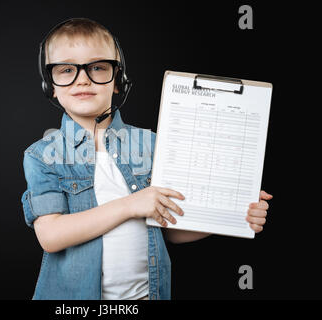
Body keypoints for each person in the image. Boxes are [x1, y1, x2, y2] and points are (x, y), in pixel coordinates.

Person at [21, 17, 273, 300]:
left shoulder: (154, 145)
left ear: (119, 81)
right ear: (50, 85)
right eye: (66, 69)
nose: (83, 78)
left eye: (98, 67)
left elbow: (172, 230)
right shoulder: (43, 155)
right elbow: (51, 236)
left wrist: (235, 213)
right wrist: (130, 205)